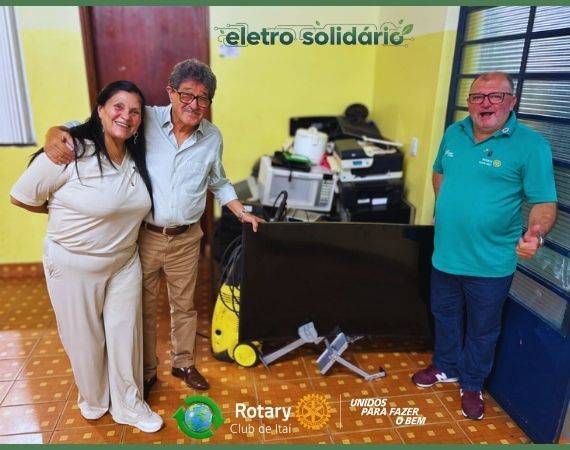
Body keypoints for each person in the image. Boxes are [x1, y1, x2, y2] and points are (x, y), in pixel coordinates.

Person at [43, 59, 262, 398]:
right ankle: (146, 370)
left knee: (185, 306)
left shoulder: (212, 136)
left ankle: (183, 362)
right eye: (186, 94)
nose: (194, 104)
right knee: (143, 307)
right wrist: (55, 132)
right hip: (145, 235)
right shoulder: (144, 119)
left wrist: (240, 211)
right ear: (170, 92)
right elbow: (93, 124)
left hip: (187, 237)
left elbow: (218, 180)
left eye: (203, 98)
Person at [10, 81, 163, 432]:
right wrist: (63, 213)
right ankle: (94, 400)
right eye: (118, 107)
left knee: (125, 337)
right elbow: (22, 196)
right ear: (100, 110)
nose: (126, 116)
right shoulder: (71, 150)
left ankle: (129, 405)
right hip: (72, 264)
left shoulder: (136, 157)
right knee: (86, 341)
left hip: (124, 262)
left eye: (134, 111)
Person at [412, 72, 557, 420]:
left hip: (490, 263)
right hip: (445, 254)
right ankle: (446, 365)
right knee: (444, 315)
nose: (486, 103)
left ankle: (472, 383)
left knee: (482, 329)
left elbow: (543, 201)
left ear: (512, 101)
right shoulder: (454, 132)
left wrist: (535, 233)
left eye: (496, 96)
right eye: (478, 96)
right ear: (469, 102)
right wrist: (445, 204)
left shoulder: (531, 146)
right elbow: (439, 170)